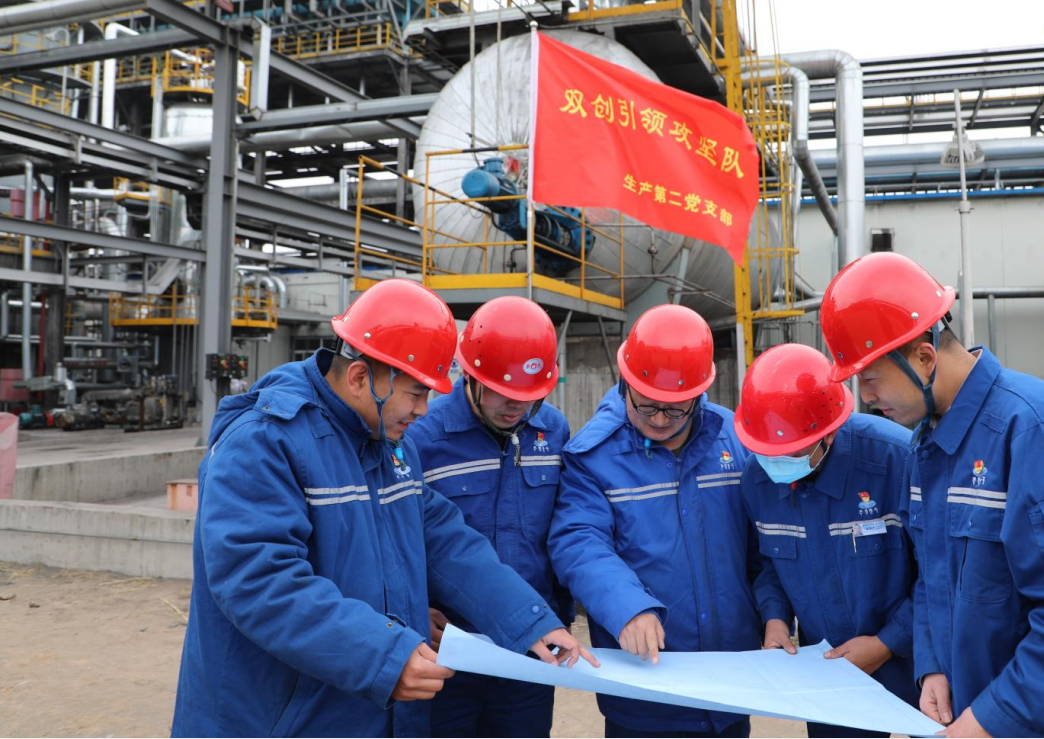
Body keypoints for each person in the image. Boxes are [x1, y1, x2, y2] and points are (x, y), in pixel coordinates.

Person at [171, 279, 595, 738]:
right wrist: (384, 656)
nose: (425, 410)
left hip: (361, 710)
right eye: (415, 393)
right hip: (278, 719)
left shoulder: (387, 443)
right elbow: (260, 580)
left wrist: (524, 618)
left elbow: (442, 539)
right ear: (359, 378)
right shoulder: (263, 442)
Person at [819, 252, 1044, 738]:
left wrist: (994, 719)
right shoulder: (927, 445)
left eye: (869, 377)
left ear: (923, 358)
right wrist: (933, 665)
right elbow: (933, 576)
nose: (865, 397)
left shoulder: (1040, 430)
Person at [549, 304, 760, 738]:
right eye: (646, 407)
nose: (661, 420)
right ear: (625, 384)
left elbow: (763, 545)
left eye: (676, 410)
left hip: (731, 681)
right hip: (646, 691)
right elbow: (579, 541)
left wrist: (773, 613)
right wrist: (628, 607)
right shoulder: (594, 456)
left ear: (700, 393)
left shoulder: (735, 439)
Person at [404, 295, 572, 738]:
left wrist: (559, 612)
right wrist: (414, 607)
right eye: (502, 391)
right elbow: (394, 535)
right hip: (449, 647)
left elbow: (566, 528)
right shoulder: (420, 435)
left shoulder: (552, 430)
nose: (516, 406)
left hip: (530, 647)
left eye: (530, 396)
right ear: (469, 375)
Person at [734, 343, 917, 738]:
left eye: (792, 451)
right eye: (767, 450)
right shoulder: (757, 479)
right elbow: (768, 565)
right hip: (831, 673)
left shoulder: (896, 459)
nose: (777, 460)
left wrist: (889, 642)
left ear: (829, 434)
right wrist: (775, 619)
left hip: (919, 664)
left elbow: (943, 573)